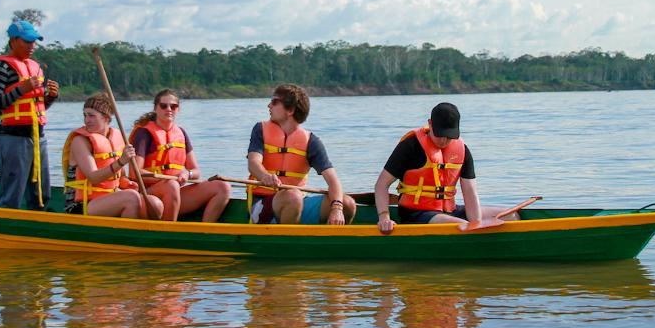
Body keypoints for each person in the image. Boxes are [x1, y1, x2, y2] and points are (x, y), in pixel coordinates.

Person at [374, 102, 518, 234]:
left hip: (450, 211)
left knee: (511, 216)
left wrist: (477, 223)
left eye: (449, 137)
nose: (444, 141)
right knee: (463, 225)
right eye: (440, 135)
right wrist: (384, 217)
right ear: (430, 124)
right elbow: (381, 184)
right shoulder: (410, 146)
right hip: (417, 214)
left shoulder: (462, 150)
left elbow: (470, 192)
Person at [246, 84, 356, 225]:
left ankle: (327, 243)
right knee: (293, 196)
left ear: (290, 110)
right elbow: (253, 163)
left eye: (274, 102)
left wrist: (337, 208)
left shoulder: (311, 141)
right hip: (262, 206)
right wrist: (264, 176)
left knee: (347, 203)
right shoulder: (260, 129)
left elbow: (333, 181)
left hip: (296, 203)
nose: (269, 106)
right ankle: (288, 243)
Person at [0, 20, 60, 210]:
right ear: (13, 41)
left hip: (38, 138)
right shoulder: (1, 68)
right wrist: (21, 88)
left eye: (34, 42)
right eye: (27, 42)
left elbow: (38, 105)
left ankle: (38, 223)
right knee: (12, 193)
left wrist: (51, 96)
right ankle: (6, 225)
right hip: (13, 138)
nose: (32, 46)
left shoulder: (36, 67)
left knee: (41, 192)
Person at [129, 89, 231, 222]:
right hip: (149, 195)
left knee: (223, 187)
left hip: (174, 193)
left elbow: (195, 171)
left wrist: (186, 175)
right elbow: (134, 173)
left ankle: (204, 232)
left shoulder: (181, 133)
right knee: (171, 185)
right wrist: (169, 179)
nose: (169, 109)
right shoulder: (144, 134)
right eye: (163, 106)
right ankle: (169, 231)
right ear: (156, 108)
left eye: (173, 106)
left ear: (178, 109)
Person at [62, 93, 162, 218]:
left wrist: (127, 183)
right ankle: (127, 236)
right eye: (85, 115)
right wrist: (121, 162)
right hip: (81, 204)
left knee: (155, 204)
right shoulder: (80, 141)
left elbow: (120, 177)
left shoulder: (117, 137)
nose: (87, 120)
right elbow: (94, 177)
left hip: (109, 197)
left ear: (106, 118)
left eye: (91, 115)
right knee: (131, 198)